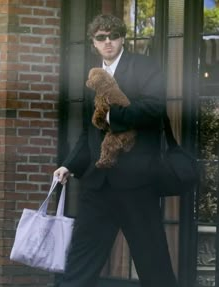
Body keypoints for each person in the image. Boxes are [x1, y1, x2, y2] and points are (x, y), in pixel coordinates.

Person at [54, 14, 179, 287]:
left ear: (122, 38)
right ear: (93, 42)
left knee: (153, 263)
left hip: (137, 184)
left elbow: (154, 108)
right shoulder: (92, 76)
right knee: (79, 263)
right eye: (101, 37)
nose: (107, 42)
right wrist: (70, 165)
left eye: (113, 36)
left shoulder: (144, 67)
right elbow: (89, 132)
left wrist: (112, 117)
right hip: (97, 185)